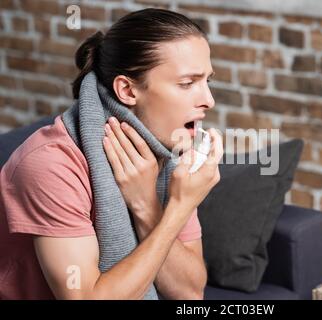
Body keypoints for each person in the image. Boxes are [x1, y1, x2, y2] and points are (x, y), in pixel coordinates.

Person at [0, 8, 222, 300]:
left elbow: (189, 292)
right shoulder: (51, 164)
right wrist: (179, 208)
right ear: (127, 90)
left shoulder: (170, 151)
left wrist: (147, 206)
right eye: (187, 83)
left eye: (208, 81)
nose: (209, 100)